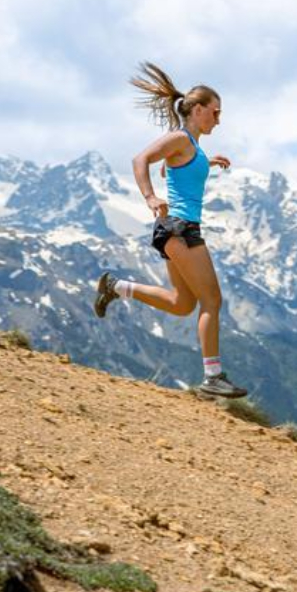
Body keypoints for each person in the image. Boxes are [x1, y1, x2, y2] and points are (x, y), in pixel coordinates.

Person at [93, 62, 246, 399]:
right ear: (198, 109)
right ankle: (213, 378)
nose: (218, 120)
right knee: (212, 300)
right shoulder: (179, 138)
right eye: (216, 112)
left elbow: (170, 169)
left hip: (174, 230)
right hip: (179, 228)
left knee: (181, 303)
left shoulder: (191, 145)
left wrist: (207, 162)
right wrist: (149, 196)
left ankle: (115, 287)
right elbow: (140, 160)